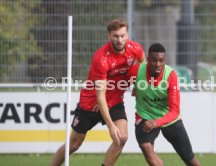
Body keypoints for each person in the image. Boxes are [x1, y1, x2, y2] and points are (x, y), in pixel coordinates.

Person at [50, 18, 145, 166]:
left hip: (115, 102)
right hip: (91, 104)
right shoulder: (101, 58)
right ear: (109, 36)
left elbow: (143, 66)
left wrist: (138, 84)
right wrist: (111, 126)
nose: (120, 40)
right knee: (74, 144)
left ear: (127, 35)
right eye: (115, 36)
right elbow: (100, 97)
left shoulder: (136, 49)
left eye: (123, 35)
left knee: (122, 137)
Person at [127, 43, 200, 166]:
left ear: (165, 60)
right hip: (145, 116)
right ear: (148, 59)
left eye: (161, 61)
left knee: (189, 159)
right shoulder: (135, 71)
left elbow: (174, 111)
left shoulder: (170, 76)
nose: (158, 64)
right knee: (146, 146)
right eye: (154, 60)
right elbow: (118, 85)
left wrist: (157, 122)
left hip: (169, 119)